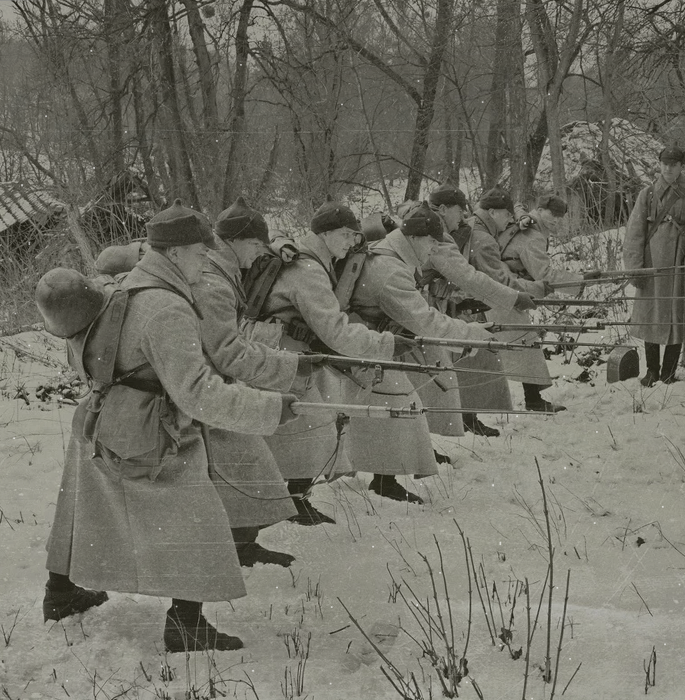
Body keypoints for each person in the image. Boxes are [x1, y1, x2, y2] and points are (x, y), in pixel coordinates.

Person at [42, 199, 297, 652]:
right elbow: (197, 393)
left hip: (102, 418)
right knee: (197, 519)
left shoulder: (128, 286)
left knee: (83, 507)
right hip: (151, 428)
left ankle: (60, 594)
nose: (207, 259)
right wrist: (272, 409)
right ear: (176, 254)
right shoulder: (166, 307)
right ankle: (185, 625)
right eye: (201, 252)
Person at [259, 201, 412, 522]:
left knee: (317, 425)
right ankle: (288, 503)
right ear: (326, 234)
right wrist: (385, 345)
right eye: (346, 235)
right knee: (313, 428)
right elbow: (335, 331)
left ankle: (293, 499)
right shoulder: (309, 270)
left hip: (290, 350)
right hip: (282, 352)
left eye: (355, 236)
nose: (352, 243)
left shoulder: (313, 259)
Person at [193, 197, 320, 566]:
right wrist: (290, 366)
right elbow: (228, 350)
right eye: (254, 246)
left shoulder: (219, 268)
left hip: (211, 382)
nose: (257, 255)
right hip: (208, 387)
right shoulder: (215, 281)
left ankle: (242, 542)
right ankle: (238, 545)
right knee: (244, 460)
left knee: (244, 462)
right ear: (234, 241)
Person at [347, 204, 497, 502]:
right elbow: (424, 320)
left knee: (401, 400)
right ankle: (383, 481)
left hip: (373, 339)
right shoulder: (391, 270)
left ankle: (386, 477)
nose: (433, 252)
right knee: (399, 402)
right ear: (415, 238)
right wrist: (474, 335)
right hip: (362, 344)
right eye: (431, 244)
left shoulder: (392, 250)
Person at [424, 182, 538, 436]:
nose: (464, 216)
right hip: (426, 307)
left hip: (436, 303)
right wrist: (514, 297)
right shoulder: (434, 234)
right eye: (458, 210)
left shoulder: (435, 227)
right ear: (443, 209)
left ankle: (460, 420)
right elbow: (469, 277)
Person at [471, 186, 570, 412]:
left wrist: (521, 215)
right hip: (498, 292)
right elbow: (543, 275)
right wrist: (576, 282)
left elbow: (516, 207)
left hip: (500, 289)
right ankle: (530, 400)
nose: (555, 221)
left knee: (521, 342)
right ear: (541, 210)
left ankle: (531, 398)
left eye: (559, 217)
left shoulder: (523, 221)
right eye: (552, 215)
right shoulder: (532, 235)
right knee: (521, 341)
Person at [623, 146, 685, 386]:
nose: (668, 168)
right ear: (659, 164)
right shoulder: (647, 194)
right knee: (651, 315)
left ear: (681, 166)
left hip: (680, 264)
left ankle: (669, 373)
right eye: (665, 163)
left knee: (677, 317)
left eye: (674, 164)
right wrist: (635, 267)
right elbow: (634, 234)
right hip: (652, 264)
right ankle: (652, 371)